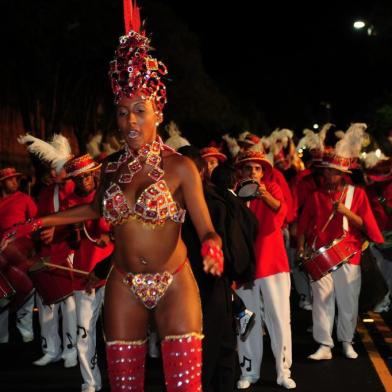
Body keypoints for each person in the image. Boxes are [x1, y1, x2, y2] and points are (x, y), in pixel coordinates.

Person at [1, 3, 223, 391]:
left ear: (158, 113)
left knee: (185, 386)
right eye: (122, 113)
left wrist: (211, 244)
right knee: (122, 385)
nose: (130, 121)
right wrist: (37, 222)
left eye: (140, 110)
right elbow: (93, 208)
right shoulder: (110, 167)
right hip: (123, 282)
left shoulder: (181, 168)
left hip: (174, 282)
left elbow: (205, 225)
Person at [297, 151, 384, 361]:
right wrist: (301, 250)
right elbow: (302, 227)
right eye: (326, 171)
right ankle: (324, 345)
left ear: (343, 174)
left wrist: (346, 212)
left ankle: (346, 342)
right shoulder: (316, 195)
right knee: (321, 301)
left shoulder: (357, 194)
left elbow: (366, 226)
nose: (328, 175)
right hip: (320, 256)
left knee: (348, 301)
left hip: (349, 254)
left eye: (334, 172)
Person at [234, 150, 296, 390]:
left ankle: (283, 371)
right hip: (245, 268)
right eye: (248, 168)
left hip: (273, 265)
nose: (253, 173)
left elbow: (283, 214)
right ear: (240, 171)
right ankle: (249, 371)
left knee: (279, 319)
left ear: (263, 172)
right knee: (246, 320)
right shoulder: (234, 194)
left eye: (257, 168)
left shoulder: (272, 188)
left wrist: (263, 194)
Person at [18, 133, 78, 368]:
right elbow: (39, 220)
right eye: (52, 168)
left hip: (68, 253)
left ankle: (71, 350)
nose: (53, 173)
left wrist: (58, 232)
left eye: (57, 168)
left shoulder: (75, 191)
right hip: (47, 252)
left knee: (69, 305)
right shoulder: (45, 192)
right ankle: (50, 348)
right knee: (46, 303)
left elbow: (78, 221)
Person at [64, 154, 114, 392]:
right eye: (78, 178)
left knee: (115, 333)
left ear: (95, 174)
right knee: (84, 334)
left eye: (86, 176)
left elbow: (124, 231)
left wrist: (110, 236)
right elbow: (73, 244)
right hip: (85, 275)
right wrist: (73, 231)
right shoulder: (71, 202)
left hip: (112, 272)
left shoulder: (109, 194)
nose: (83, 181)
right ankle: (90, 383)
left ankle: (122, 379)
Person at [0, 167, 37, 344]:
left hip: (22, 249)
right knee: (3, 294)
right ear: (2, 183)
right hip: (3, 252)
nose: (15, 182)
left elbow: (37, 222)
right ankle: (2, 337)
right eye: (10, 179)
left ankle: (27, 334)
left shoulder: (25, 199)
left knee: (27, 289)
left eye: (16, 179)